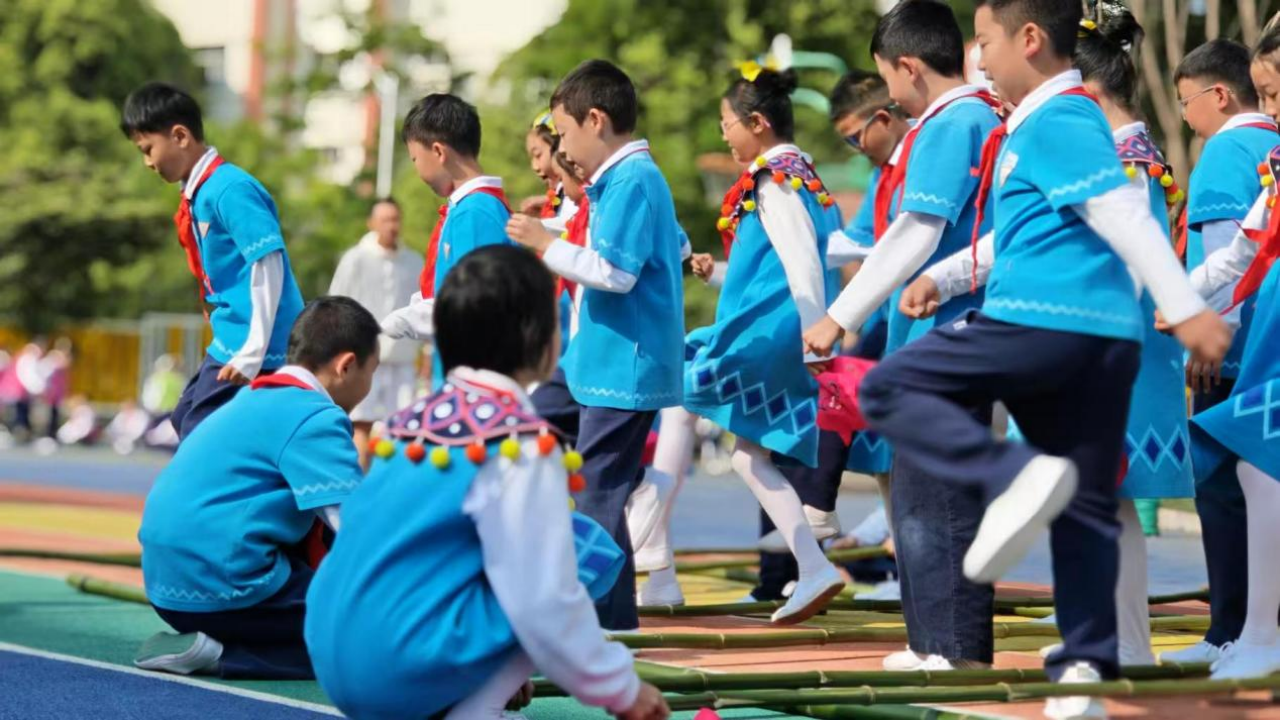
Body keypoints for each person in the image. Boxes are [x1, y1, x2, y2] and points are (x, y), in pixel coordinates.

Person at [867, 0, 1229, 715]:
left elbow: (1120, 213)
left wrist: (1185, 307)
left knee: (890, 387)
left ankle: (1014, 474)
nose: (977, 58)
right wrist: (947, 277)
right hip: (1102, 339)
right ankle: (1083, 674)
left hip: (1042, 320)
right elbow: (1028, 232)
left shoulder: (1058, 116)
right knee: (1087, 508)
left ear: (1030, 39)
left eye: (984, 41)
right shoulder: (1047, 123)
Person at [305, 246, 669, 720]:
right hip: (401, 670)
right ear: (542, 340)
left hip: (329, 653)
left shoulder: (403, 423)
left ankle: (472, 692)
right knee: (585, 549)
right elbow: (545, 600)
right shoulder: (521, 441)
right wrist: (621, 688)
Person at [803, 0, 1004, 672]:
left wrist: (841, 315)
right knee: (918, 496)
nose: (887, 92)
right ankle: (931, 643)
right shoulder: (964, 121)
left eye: (887, 76)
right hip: (935, 338)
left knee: (939, 498)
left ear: (909, 67)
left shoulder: (954, 122)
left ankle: (955, 650)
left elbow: (916, 231)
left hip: (950, 336)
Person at [505, 60, 686, 632]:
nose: (561, 148)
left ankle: (589, 624)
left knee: (598, 490)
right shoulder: (621, 180)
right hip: (604, 362)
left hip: (623, 365)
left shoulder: (632, 179)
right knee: (598, 485)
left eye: (563, 133)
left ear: (596, 120)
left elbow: (616, 272)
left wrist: (544, 243)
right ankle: (615, 620)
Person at [133, 296, 379, 680]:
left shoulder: (249, 398)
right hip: (227, 586)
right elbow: (354, 526)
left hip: (167, 587)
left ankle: (215, 641)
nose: (370, 386)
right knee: (375, 637)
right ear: (346, 365)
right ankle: (224, 655)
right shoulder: (315, 416)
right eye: (372, 371)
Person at [1161, 38, 1280, 666]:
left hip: (1239, 349)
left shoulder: (1227, 149)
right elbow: (1243, 249)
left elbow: (1226, 248)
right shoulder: (1271, 150)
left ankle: (1234, 630)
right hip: (1260, 334)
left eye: (1186, 102)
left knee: (1227, 483)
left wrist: (1207, 324)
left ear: (1219, 95)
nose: (1185, 117)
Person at [120, 82, 305, 440]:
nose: (147, 162)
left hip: (261, 341)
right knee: (185, 417)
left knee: (200, 429)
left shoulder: (229, 188)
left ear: (180, 136)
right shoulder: (199, 193)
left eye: (148, 149)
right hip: (231, 336)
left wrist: (254, 351)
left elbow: (268, 260)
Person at [379, 94, 514, 386]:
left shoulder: (475, 212)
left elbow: (471, 306)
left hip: (473, 377)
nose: (417, 171)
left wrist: (406, 321)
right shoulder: (467, 209)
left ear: (439, 151)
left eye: (415, 159)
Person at [329, 197, 425, 469]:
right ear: (371, 223)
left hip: (403, 358)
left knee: (401, 428)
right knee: (361, 424)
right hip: (363, 356)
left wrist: (425, 352)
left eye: (395, 219)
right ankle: (358, 486)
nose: (391, 226)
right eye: (385, 220)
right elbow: (337, 303)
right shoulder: (355, 259)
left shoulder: (413, 261)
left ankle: (390, 486)